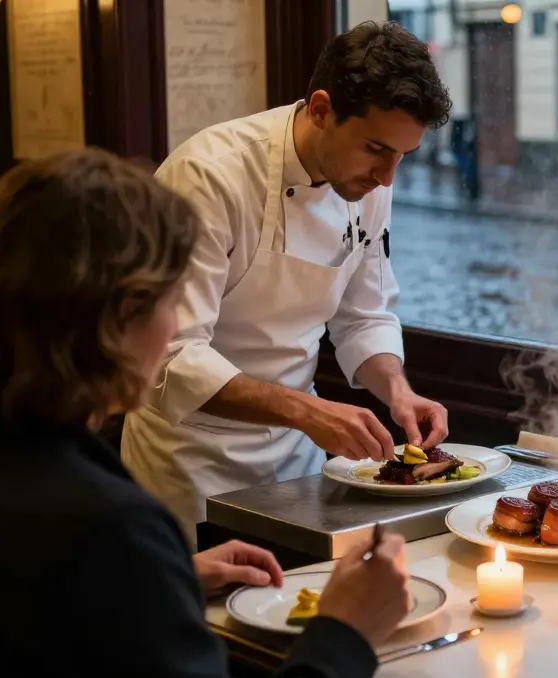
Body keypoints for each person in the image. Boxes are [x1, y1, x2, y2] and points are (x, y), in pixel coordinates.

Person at [0, 149, 412, 678]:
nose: (175, 333)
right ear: (116, 322)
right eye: (171, 302)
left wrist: (168, 578)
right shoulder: (105, 529)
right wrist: (345, 630)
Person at [120, 22, 454, 540]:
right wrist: (309, 410)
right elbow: (172, 355)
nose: (387, 177)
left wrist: (397, 392)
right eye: (375, 149)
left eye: (401, 157)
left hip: (296, 462)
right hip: (190, 462)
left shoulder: (365, 183)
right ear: (321, 109)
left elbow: (363, 315)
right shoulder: (209, 176)